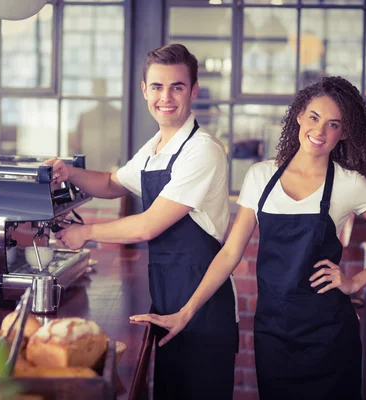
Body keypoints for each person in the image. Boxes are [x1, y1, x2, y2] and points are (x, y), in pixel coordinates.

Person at [130, 76, 366, 399]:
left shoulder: (350, 184)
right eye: (314, 118)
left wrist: (355, 281)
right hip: (273, 336)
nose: (319, 132)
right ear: (299, 116)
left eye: (333, 125)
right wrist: (186, 312)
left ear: (344, 133)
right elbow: (230, 253)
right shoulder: (260, 176)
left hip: (330, 337)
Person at [45, 44, 238, 400]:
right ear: (144, 90)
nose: (166, 97)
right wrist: (69, 172)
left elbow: (148, 225)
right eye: (158, 87)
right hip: (167, 298)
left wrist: (85, 233)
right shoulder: (155, 147)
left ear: (193, 91)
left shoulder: (202, 150)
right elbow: (111, 183)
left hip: (203, 304)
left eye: (177, 87)